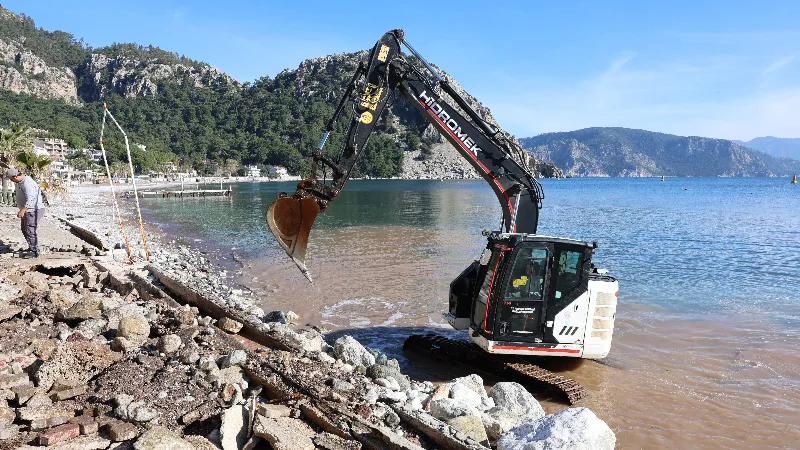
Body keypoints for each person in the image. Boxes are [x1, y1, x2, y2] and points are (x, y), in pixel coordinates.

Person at [6, 168, 44, 258]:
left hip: (33, 210)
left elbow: (31, 198)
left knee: (30, 230)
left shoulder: (27, 183)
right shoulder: (21, 182)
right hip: (28, 210)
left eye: (11, 179)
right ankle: (32, 248)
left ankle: (34, 251)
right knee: (25, 229)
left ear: (15, 176)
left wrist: (23, 209)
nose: (11, 180)